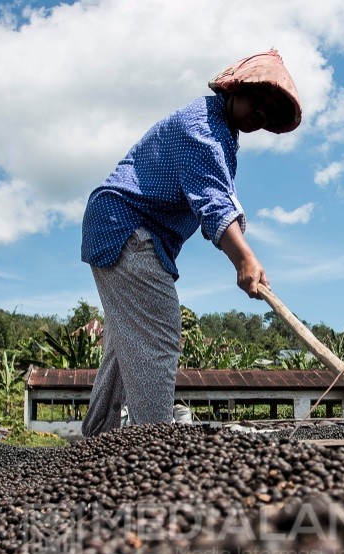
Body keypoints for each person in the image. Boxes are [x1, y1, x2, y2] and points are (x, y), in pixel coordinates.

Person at [80, 50, 302, 436]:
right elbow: (213, 202)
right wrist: (244, 259)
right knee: (158, 336)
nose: (259, 114)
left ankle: (95, 442)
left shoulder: (218, 131)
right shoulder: (202, 131)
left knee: (125, 347)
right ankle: (155, 445)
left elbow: (222, 197)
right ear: (233, 88)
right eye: (256, 102)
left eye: (267, 114)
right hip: (128, 228)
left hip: (115, 224)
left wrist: (240, 241)